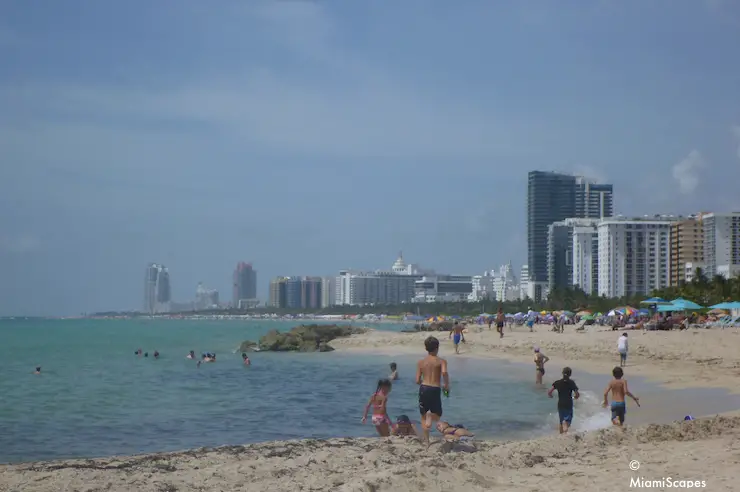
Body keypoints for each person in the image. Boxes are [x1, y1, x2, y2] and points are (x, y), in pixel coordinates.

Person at [416, 336, 449, 445]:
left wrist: (424, 383)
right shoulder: (441, 361)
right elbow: (444, 373)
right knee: (438, 414)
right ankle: (431, 416)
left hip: (424, 387)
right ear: (437, 347)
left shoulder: (421, 362)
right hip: (435, 388)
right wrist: (446, 385)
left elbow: (417, 380)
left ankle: (426, 441)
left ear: (426, 348)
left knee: (423, 416)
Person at [547, 367, 580, 434]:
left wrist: (550, 395)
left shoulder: (558, 382)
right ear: (570, 374)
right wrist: (576, 397)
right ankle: (565, 430)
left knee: (561, 420)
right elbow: (577, 394)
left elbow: (549, 392)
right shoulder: (571, 383)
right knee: (567, 421)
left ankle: (561, 435)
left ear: (562, 373)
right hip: (568, 403)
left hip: (560, 404)